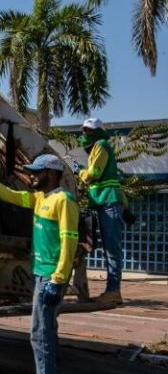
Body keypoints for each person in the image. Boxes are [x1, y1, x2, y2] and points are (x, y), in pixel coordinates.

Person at [0, 152, 79, 374]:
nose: (31, 176)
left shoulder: (64, 200)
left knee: (39, 332)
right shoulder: (40, 199)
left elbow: (69, 241)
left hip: (51, 276)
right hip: (42, 274)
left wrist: (58, 279)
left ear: (51, 174)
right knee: (46, 331)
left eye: (36, 172)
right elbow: (8, 194)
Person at [73, 118, 126, 304]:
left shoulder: (101, 145)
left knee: (112, 249)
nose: (85, 134)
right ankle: (112, 290)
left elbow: (94, 174)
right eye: (85, 131)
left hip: (108, 203)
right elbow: (114, 180)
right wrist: (125, 206)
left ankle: (113, 291)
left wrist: (79, 172)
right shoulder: (99, 147)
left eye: (89, 131)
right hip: (107, 202)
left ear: (98, 132)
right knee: (110, 248)